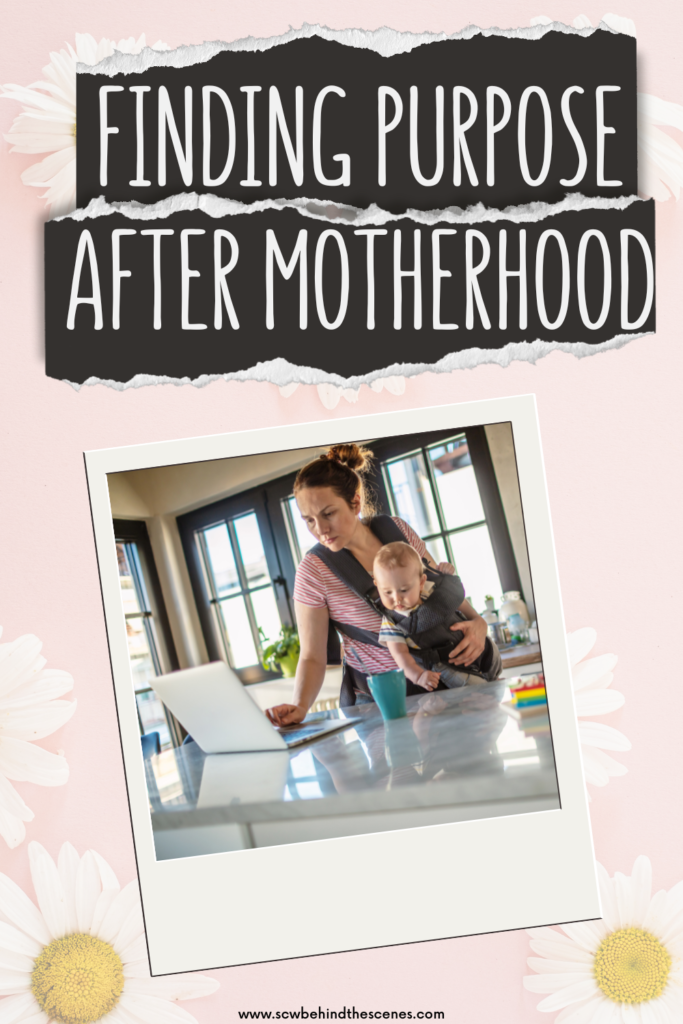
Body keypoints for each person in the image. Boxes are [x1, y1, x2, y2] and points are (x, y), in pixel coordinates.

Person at [266, 442, 491, 727]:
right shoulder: (314, 571)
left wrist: (478, 622)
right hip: (386, 705)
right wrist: (300, 705)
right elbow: (312, 656)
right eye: (309, 520)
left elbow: (439, 590)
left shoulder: (398, 530)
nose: (320, 530)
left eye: (328, 513)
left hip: (447, 684)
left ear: (356, 502)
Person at [373, 540, 501, 691]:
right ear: (377, 586)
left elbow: (456, 598)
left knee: (497, 677)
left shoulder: (430, 590)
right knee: (481, 693)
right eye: (387, 592)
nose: (396, 598)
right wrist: (418, 676)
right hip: (448, 665)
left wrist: (447, 576)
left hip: (480, 646)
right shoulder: (392, 621)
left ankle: (497, 681)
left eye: (404, 589)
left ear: (421, 583)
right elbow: (400, 656)